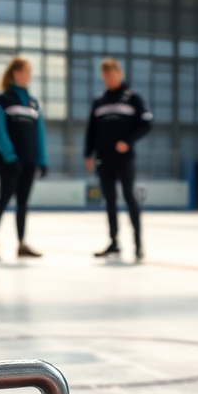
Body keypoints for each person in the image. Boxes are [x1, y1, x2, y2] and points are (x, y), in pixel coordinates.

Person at [84, 57, 152, 260]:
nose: (109, 79)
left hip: (124, 158)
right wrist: (88, 153)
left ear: (120, 74)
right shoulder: (99, 100)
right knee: (109, 200)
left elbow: (147, 123)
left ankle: (138, 244)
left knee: (129, 197)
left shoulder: (132, 98)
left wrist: (129, 141)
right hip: (103, 159)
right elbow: (91, 130)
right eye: (105, 76)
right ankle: (114, 242)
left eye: (112, 75)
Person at [0, 56, 48, 260]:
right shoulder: (2, 100)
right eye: (27, 71)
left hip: (29, 161)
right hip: (10, 162)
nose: (30, 75)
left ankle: (22, 244)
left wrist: (42, 159)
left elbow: (39, 132)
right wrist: (10, 156)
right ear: (16, 73)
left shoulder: (33, 103)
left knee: (23, 202)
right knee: (4, 198)